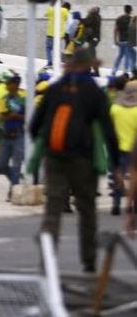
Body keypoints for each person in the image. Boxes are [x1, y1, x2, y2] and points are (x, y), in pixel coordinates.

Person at [31, 47, 118, 273]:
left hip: (54, 158)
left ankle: (46, 263)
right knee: (87, 210)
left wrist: (43, 150)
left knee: (53, 211)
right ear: (88, 65)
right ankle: (88, 262)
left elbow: (35, 125)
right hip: (83, 159)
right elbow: (108, 130)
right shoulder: (94, 92)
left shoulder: (54, 89)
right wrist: (115, 165)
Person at [0, 73, 25, 200]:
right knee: (1, 165)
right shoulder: (4, 99)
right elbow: (0, 117)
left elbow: (29, 116)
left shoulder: (24, 98)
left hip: (19, 135)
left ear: (16, 85)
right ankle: (16, 179)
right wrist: (10, 116)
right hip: (6, 136)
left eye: (9, 83)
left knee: (17, 164)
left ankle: (13, 190)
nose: (7, 86)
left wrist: (16, 116)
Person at [111, 80, 137, 216]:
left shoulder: (115, 108)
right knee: (134, 177)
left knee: (117, 176)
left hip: (117, 148)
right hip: (133, 149)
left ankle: (116, 204)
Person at [113, 5, 136, 75]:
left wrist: (115, 40)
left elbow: (115, 30)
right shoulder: (132, 19)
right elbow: (133, 30)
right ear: (131, 10)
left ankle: (114, 69)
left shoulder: (119, 18)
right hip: (129, 41)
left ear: (124, 10)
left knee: (120, 55)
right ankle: (126, 71)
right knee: (129, 55)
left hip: (121, 40)